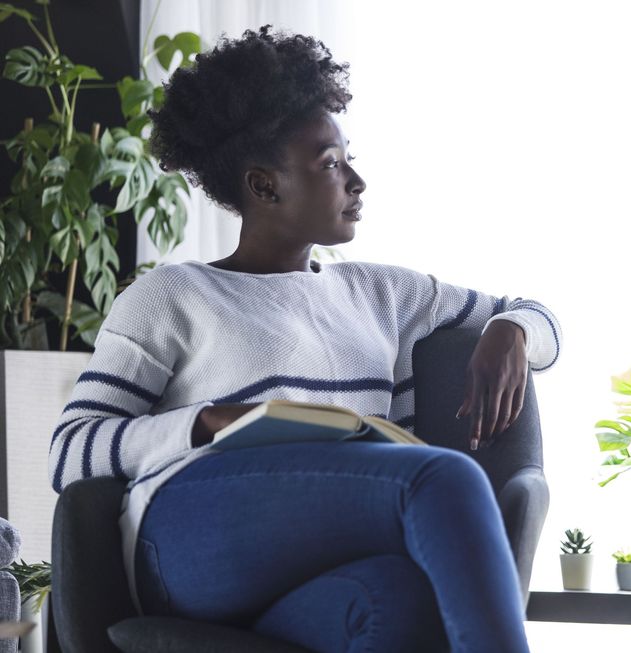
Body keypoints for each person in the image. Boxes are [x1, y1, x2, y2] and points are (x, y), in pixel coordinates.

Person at [48, 25, 562, 653]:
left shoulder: (385, 293)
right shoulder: (170, 295)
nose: (357, 181)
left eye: (349, 160)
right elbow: (69, 453)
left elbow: (537, 317)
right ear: (264, 186)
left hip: (322, 559)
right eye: (331, 164)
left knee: (399, 599)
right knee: (444, 478)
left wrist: (510, 327)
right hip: (192, 541)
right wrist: (204, 423)